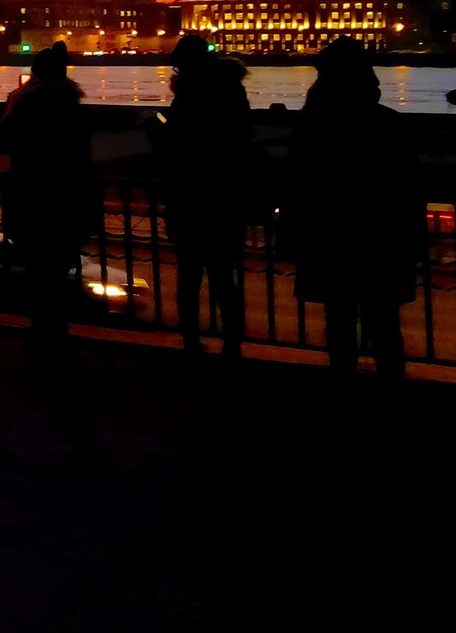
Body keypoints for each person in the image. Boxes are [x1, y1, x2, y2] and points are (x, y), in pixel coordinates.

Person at [286, 37, 420, 380]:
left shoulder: (314, 125)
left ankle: (344, 383)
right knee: (384, 322)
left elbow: (300, 183)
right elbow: (408, 186)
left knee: (340, 319)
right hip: (381, 238)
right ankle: (391, 383)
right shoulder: (390, 124)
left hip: (331, 237)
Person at [0, 43, 98, 364]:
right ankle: (58, 345)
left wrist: (10, 108)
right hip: (71, 204)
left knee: (39, 282)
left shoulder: (28, 108)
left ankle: (42, 348)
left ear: (34, 76)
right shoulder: (75, 109)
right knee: (58, 279)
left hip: (33, 204)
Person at [158, 33, 255, 358]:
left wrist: (157, 127)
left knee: (189, 276)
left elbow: (173, 137)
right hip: (225, 195)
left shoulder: (187, 95)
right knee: (223, 274)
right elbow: (244, 135)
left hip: (190, 195)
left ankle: (190, 338)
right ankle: (232, 340)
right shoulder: (231, 89)